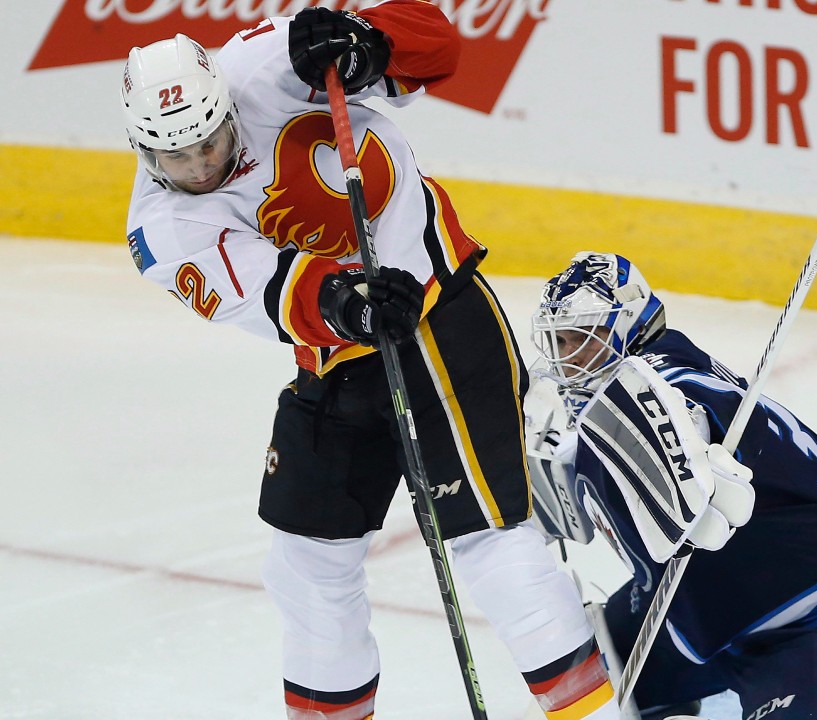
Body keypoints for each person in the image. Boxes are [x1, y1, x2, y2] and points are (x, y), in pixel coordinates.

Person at [120, 5, 620, 720]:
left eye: (212, 141)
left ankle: (595, 712)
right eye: (177, 159)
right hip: (335, 358)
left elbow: (439, 45)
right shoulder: (163, 230)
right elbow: (272, 291)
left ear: (227, 103)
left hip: (442, 319)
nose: (202, 167)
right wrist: (346, 304)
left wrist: (372, 44)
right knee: (306, 563)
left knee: (485, 538)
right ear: (143, 152)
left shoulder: (270, 60)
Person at [523, 252, 817, 720]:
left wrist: (697, 440)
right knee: (599, 665)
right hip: (735, 605)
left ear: (629, 328)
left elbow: (687, 405)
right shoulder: (599, 406)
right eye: (559, 339)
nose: (568, 356)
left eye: (584, 338)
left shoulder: (666, 379)